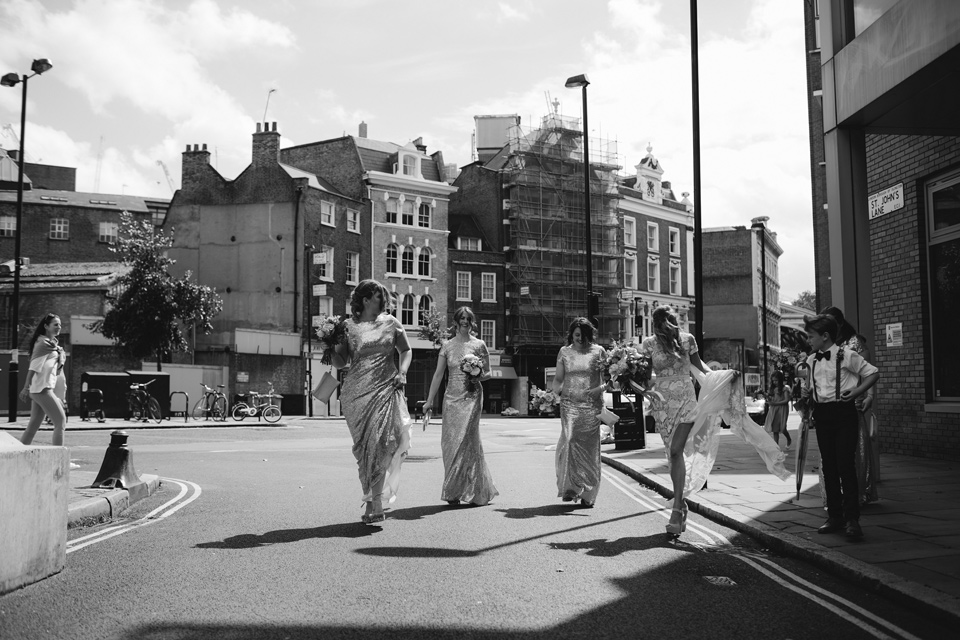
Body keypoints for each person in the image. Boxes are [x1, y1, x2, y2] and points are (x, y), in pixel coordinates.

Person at [330, 280, 413, 525]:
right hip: (356, 394)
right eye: (379, 296)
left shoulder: (391, 323)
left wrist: (403, 372)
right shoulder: (347, 327)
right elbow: (340, 362)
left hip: (385, 388)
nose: (384, 301)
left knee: (382, 444)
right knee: (364, 451)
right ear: (365, 300)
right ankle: (370, 501)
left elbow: (406, 350)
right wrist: (329, 346)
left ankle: (375, 501)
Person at [802, 313, 879, 541]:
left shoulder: (847, 355)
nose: (808, 340)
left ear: (825, 336)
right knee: (829, 466)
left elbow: (872, 373)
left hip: (844, 413)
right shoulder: (811, 360)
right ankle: (835, 517)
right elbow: (813, 388)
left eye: (811, 336)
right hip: (822, 414)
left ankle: (852, 519)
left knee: (845, 465)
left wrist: (857, 392)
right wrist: (807, 393)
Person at [640, 306, 713, 535]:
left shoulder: (687, 340)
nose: (662, 327)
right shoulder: (649, 344)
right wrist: (628, 371)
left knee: (675, 450)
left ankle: (676, 508)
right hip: (662, 404)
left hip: (686, 399)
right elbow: (645, 376)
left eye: (665, 322)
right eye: (658, 324)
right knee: (672, 455)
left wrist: (722, 378)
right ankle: (681, 505)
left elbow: (700, 368)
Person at [424, 306, 499, 506]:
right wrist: (429, 401)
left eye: (468, 318)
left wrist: (477, 375)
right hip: (451, 398)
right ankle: (454, 489)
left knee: (468, 441)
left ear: (472, 322)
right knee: (451, 443)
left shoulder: (479, 344)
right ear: (455, 321)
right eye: (462, 318)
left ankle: (475, 491)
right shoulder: (447, 346)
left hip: (472, 396)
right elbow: (438, 375)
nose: (465, 321)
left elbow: (489, 372)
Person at [821, 306, 879, 505]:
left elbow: (868, 371)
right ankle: (833, 498)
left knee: (851, 452)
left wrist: (868, 395)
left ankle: (856, 495)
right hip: (828, 405)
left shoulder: (854, 342)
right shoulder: (826, 343)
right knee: (830, 455)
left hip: (850, 403)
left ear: (839, 323)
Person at [552, 318, 607, 508]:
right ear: (571, 335)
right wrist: (556, 392)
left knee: (590, 449)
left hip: (592, 405)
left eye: (583, 335)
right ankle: (571, 487)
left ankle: (589, 493)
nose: (580, 339)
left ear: (589, 335)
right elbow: (558, 379)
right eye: (576, 335)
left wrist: (599, 389)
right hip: (569, 405)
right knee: (569, 441)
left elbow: (609, 380)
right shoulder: (564, 352)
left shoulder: (598, 351)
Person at [19, 313, 68, 446]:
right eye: (55, 324)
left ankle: (20, 452)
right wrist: (25, 387)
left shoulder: (52, 345)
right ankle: (59, 456)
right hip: (43, 390)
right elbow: (33, 367)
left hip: (40, 389)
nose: (59, 327)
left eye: (60, 325)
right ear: (46, 326)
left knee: (33, 426)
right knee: (60, 421)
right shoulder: (43, 344)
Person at [765, 370, 793, 447]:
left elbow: (786, 400)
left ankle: (789, 438)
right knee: (775, 429)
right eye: (773, 380)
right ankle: (776, 447)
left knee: (783, 428)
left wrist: (775, 403)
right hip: (774, 409)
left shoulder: (784, 388)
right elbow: (771, 399)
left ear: (780, 380)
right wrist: (767, 398)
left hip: (782, 408)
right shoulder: (772, 389)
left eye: (776, 380)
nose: (774, 382)